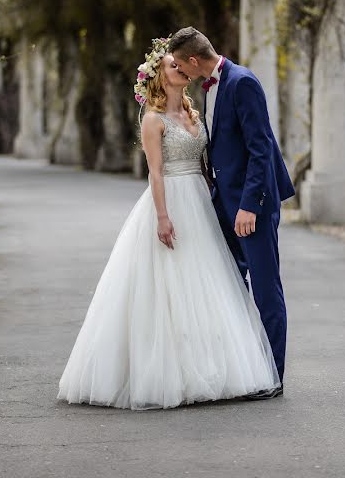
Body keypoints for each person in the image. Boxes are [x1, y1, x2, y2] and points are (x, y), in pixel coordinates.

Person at [57, 37, 280, 410]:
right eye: (171, 66)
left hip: (202, 203)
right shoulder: (152, 120)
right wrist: (162, 216)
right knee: (170, 285)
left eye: (179, 64)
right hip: (171, 202)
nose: (178, 69)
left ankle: (218, 367)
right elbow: (155, 174)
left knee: (210, 283)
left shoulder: (195, 113)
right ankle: (169, 373)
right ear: (158, 78)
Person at [168, 27, 295, 399]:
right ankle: (244, 369)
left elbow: (261, 148)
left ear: (194, 60)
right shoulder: (211, 86)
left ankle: (273, 377)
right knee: (229, 284)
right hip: (224, 202)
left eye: (180, 64)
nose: (180, 72)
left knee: (265, 288)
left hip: (251, 206)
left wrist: (249, 206)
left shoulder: (242, 83)